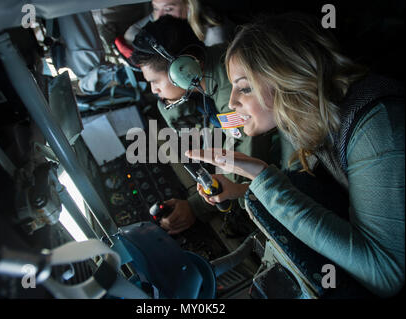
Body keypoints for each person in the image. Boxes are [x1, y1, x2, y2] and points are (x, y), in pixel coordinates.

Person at [186, 13, 405, 297]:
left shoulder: (376, 128)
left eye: (245, 87)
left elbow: (385, 274)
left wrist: (261, 175)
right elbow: (317, 191)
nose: (231, 102)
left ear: (285, 79)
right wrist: (243, 189)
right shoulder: (302, 118)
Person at [130, 15, 279, 235]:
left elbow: (241, 173)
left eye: (155, 82)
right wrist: (171, 104)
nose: (153, 91)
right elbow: (196, 134)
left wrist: (196, 207)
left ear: (185, 68)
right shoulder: (205, 73)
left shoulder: (233, 98)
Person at [124, 0, 234, 47]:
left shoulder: (214, 33)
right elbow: (130, 35)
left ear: (188, 7)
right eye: (155, 8)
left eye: (168, 9)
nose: (158, 17)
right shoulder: (160, 15)